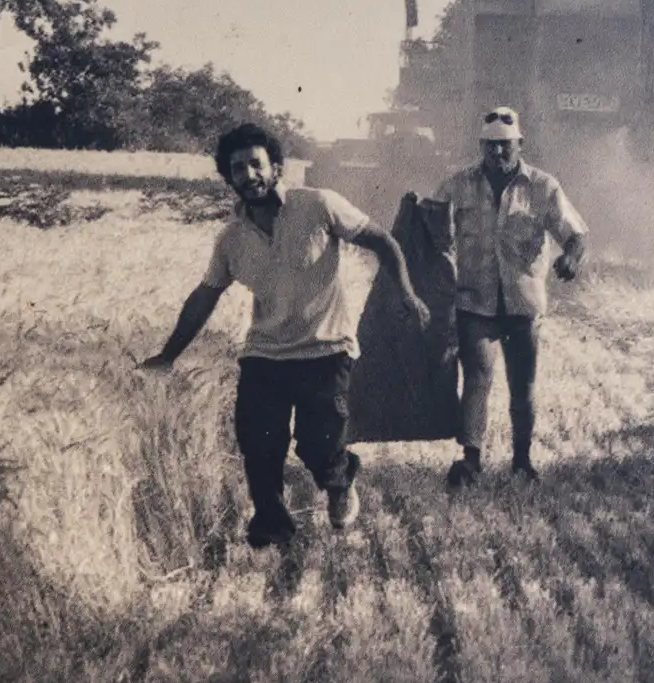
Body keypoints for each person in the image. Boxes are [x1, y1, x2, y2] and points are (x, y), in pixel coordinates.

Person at [140, 123, 430, 549]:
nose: (248, 175)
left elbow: (382, 241)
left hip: (326, 348)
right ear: (229, 178)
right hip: (265, 354)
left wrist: (405, 292)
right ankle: (273, 529)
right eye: (237, 168)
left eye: (255, 164)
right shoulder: (231, 240)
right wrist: (167, 355)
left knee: (317, 447)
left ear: (276, 167)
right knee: (257, 443)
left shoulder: (318, 205)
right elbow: (205, 296)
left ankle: (340, 479)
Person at [433, 106, 588, 488]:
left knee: (523, 386)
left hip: (523, 304)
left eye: (505, 146)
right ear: (480, 146)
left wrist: (570, 256)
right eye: (490, 146)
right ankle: (471, 460)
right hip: (475, 302)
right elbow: (431, 228)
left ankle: (522, 460)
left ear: (520, 143)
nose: (498, 154)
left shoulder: (544, 187)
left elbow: (576, 233)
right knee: (477, 378)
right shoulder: (457, 185)